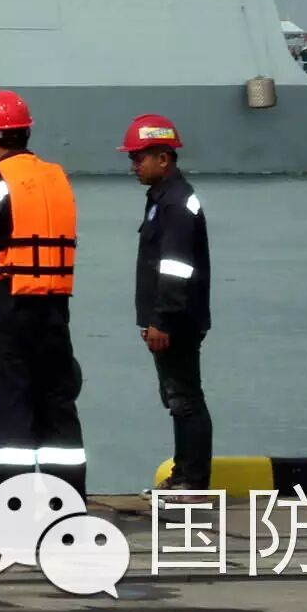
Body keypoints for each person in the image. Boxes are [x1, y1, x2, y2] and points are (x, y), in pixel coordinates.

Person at [0, 88, 85, 491]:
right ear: (27, 132)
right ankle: (68, 504)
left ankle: (16, 507)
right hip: (55, 313)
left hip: (5, 314)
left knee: (8, 413)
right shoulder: (57, 180)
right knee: (57, 410)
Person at [124, 114, 214, 491]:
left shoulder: (174, 204)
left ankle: (192, 481)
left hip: (176, 321)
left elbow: (175, 268)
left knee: (185, 400)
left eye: (139, 157)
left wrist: (161, 320)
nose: (134, 165)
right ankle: (185, 474)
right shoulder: (164, 199)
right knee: (178, 398)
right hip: (172, 318)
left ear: (163, 158)